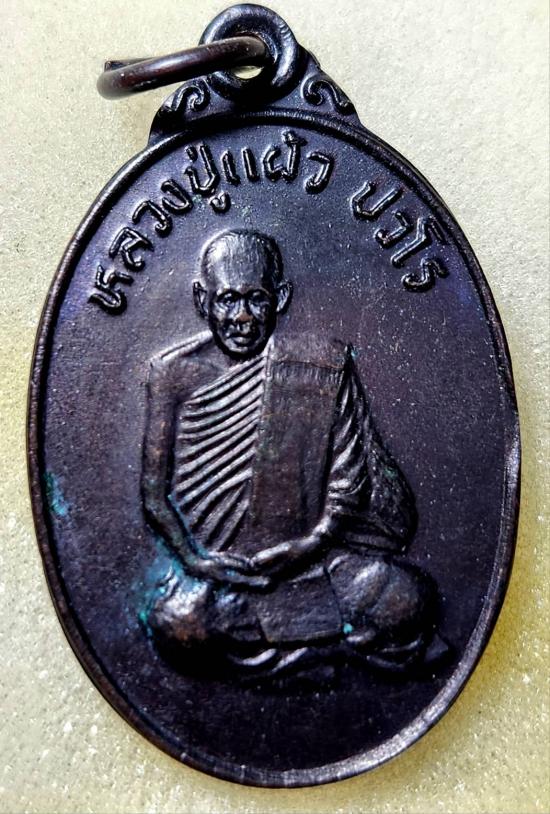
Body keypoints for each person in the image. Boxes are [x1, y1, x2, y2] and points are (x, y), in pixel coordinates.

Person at [141, 229, 443, 675]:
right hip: (220, 575)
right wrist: (196, 560)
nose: (242, 317)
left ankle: (291, 654)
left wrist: (309, 545)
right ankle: (327, 652)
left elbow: (348, 484)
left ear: (280, 298)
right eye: (227, 300)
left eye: (256, 299)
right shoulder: (173, 374)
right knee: (176, 625)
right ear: (202, 300)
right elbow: (154, 496)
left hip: (314, 559)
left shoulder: (319, 365)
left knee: (407, 597)